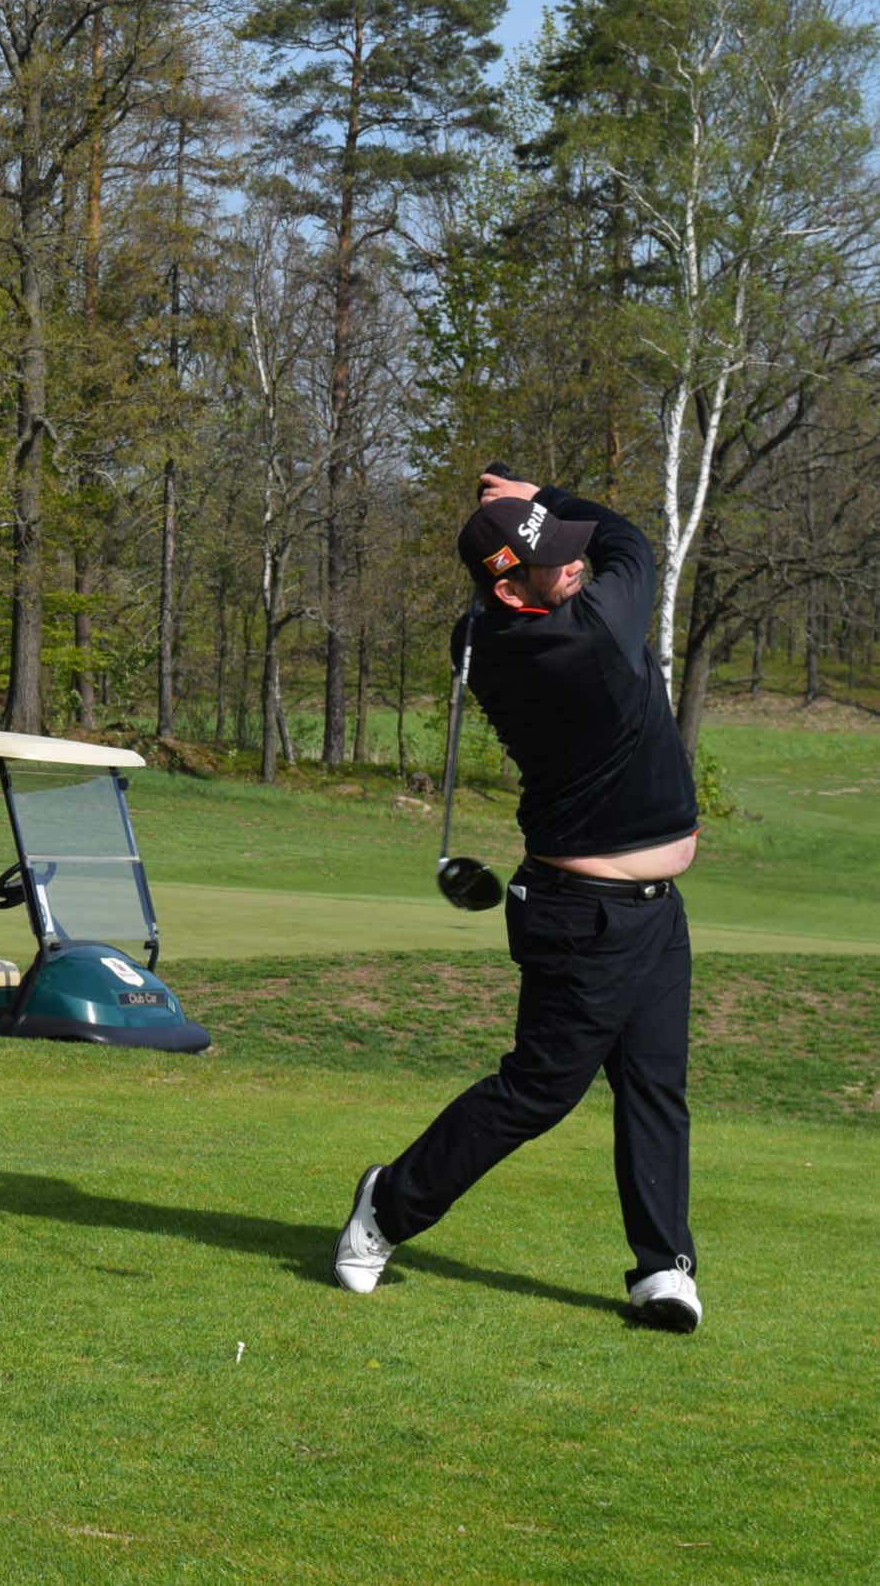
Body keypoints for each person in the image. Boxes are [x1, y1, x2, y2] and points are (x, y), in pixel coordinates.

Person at [334, 464, 704, 1332]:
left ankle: (663, 1266)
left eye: (569, 552)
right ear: (510, 584)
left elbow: (543, 573)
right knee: (540, 1088)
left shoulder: (479, 635)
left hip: (649, 908)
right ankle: (387, 1204)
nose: (576, 561)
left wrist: (526, 529)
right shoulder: (593, 633)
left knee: (654, 1085)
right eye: (555, 558)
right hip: (588, 912)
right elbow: (631, 543)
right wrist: (544, 497)